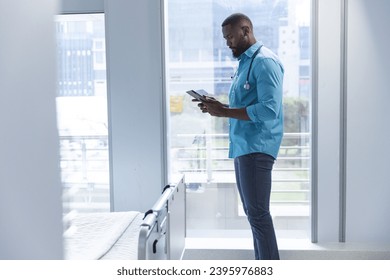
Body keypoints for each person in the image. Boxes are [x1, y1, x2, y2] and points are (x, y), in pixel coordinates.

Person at [195, 13, 284, 260]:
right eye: (225, 38)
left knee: (258, 214)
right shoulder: (245, 63)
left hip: (257, 148)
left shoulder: (264, 62)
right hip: (245, 147)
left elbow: (269, 109)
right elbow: (245, 103)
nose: (228, 43)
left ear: (246, 30)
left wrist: (223, 111)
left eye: (231, 37)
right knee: (254, 214)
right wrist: (219, 106)